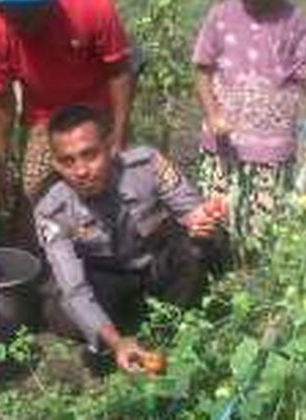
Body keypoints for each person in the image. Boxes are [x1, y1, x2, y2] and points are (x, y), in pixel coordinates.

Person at [34, 105, 224, 373]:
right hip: (107, 279)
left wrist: (201, 220)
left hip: (154, 265)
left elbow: (190, 210)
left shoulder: (147, 165)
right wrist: (116, 342)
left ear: (110, 147)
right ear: (55, 164)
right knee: (64, 309)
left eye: (90, 155)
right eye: (68, 161)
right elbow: (74, 286)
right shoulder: (51, 210)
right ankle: (125, 335)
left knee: (201, 247)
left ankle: (170, 328)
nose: (81, 171)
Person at [192, 0, 306, 245]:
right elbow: (202, 68)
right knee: (215, 231)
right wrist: (213, 113)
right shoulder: (221, 15)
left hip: (271, 150)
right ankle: (217, 285)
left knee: (261, 236)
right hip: (222, 147)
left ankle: (254, 288)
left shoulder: (295, 20)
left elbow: (305, 72)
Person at [0, 0, 137, 215]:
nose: (19, 27)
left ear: (49, 1)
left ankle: (109, 247)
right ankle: (45, 249)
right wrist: (2, 162)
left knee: (106, 187)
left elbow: (119, 72)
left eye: (27, 17)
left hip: (96, 110)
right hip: (43, 118)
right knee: (33, 191)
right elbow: (0, 99)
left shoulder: (91, 4)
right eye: (11, 17)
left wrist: (119, 137)